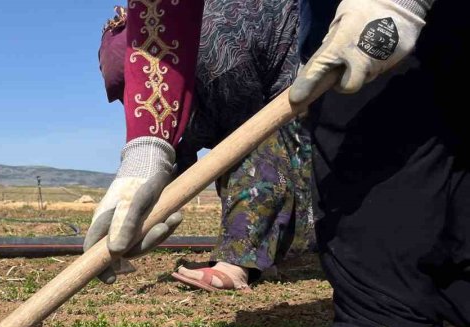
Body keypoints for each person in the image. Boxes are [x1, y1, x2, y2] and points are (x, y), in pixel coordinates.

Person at [87, 0, 467, 327]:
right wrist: (148, 153)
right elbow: (161, 20)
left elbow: (266, 136)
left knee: (364, 101)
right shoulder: (179, 55)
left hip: (323, 42)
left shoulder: (237, 43)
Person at [98, 2, 315, 292]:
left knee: (256, 151)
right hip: (230, 64)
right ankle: (260, 254)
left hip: (295, 59)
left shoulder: (216, 54)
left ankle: (239, 264)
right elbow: (175, 159)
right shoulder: (156, 69)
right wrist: (130, 220)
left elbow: (247, 141)